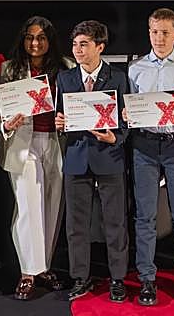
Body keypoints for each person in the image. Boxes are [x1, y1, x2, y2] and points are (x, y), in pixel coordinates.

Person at [126, 8, 174, 306]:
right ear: (149, 33)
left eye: (165, 32)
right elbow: (131, 105)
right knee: (145, 215)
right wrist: (127, 114)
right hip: (144, 145)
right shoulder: (136, 68)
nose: (159, 38)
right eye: (155, 32)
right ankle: (147, 278)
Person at [0, 16, 72, 300]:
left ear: (50, 41)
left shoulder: (66, 67)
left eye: (41, 37)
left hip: (56, 141)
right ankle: (27, 272)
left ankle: (44, 267)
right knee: (28, 206)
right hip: (22, 143)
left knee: (52, 206)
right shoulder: (10, 69)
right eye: (30, 37)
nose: (35, 43)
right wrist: (6, 124)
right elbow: (0, 111)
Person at [54, 21, 130, 303]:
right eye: (75, 45)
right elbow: (60, 116)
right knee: (76, 225)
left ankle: (118, 278)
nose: (78, 50)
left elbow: (127, 118)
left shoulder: (118, 77)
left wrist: (116, 137)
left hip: (109, 156)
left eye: (84, 44)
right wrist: (59, 123)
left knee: (115, 222)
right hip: (76, 157)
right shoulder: (65, 78)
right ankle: (80, 277)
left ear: (100, 47)